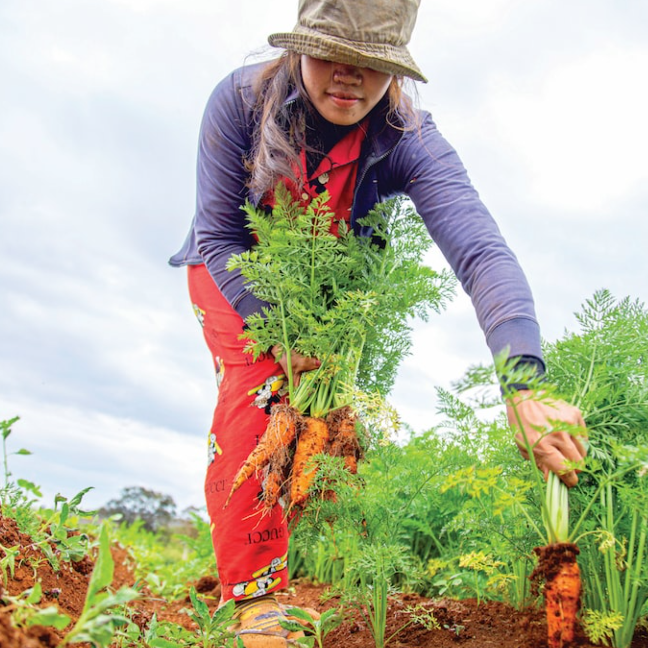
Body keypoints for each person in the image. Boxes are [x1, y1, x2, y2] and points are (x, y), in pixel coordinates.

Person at [169, 0, 587, 645]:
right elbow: (221, 232)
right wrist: (277, 334)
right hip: (235, 272)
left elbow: (480, 252)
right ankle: (255, 599)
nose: (350, 78)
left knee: (326, 428)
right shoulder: (240, 101)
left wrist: (523, 383)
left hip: (328, 283)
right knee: (260, 398)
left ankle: (306, 562)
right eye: (333, 55)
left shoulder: (410, 139)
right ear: (299, 48)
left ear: (396, 73)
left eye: (373, 65)